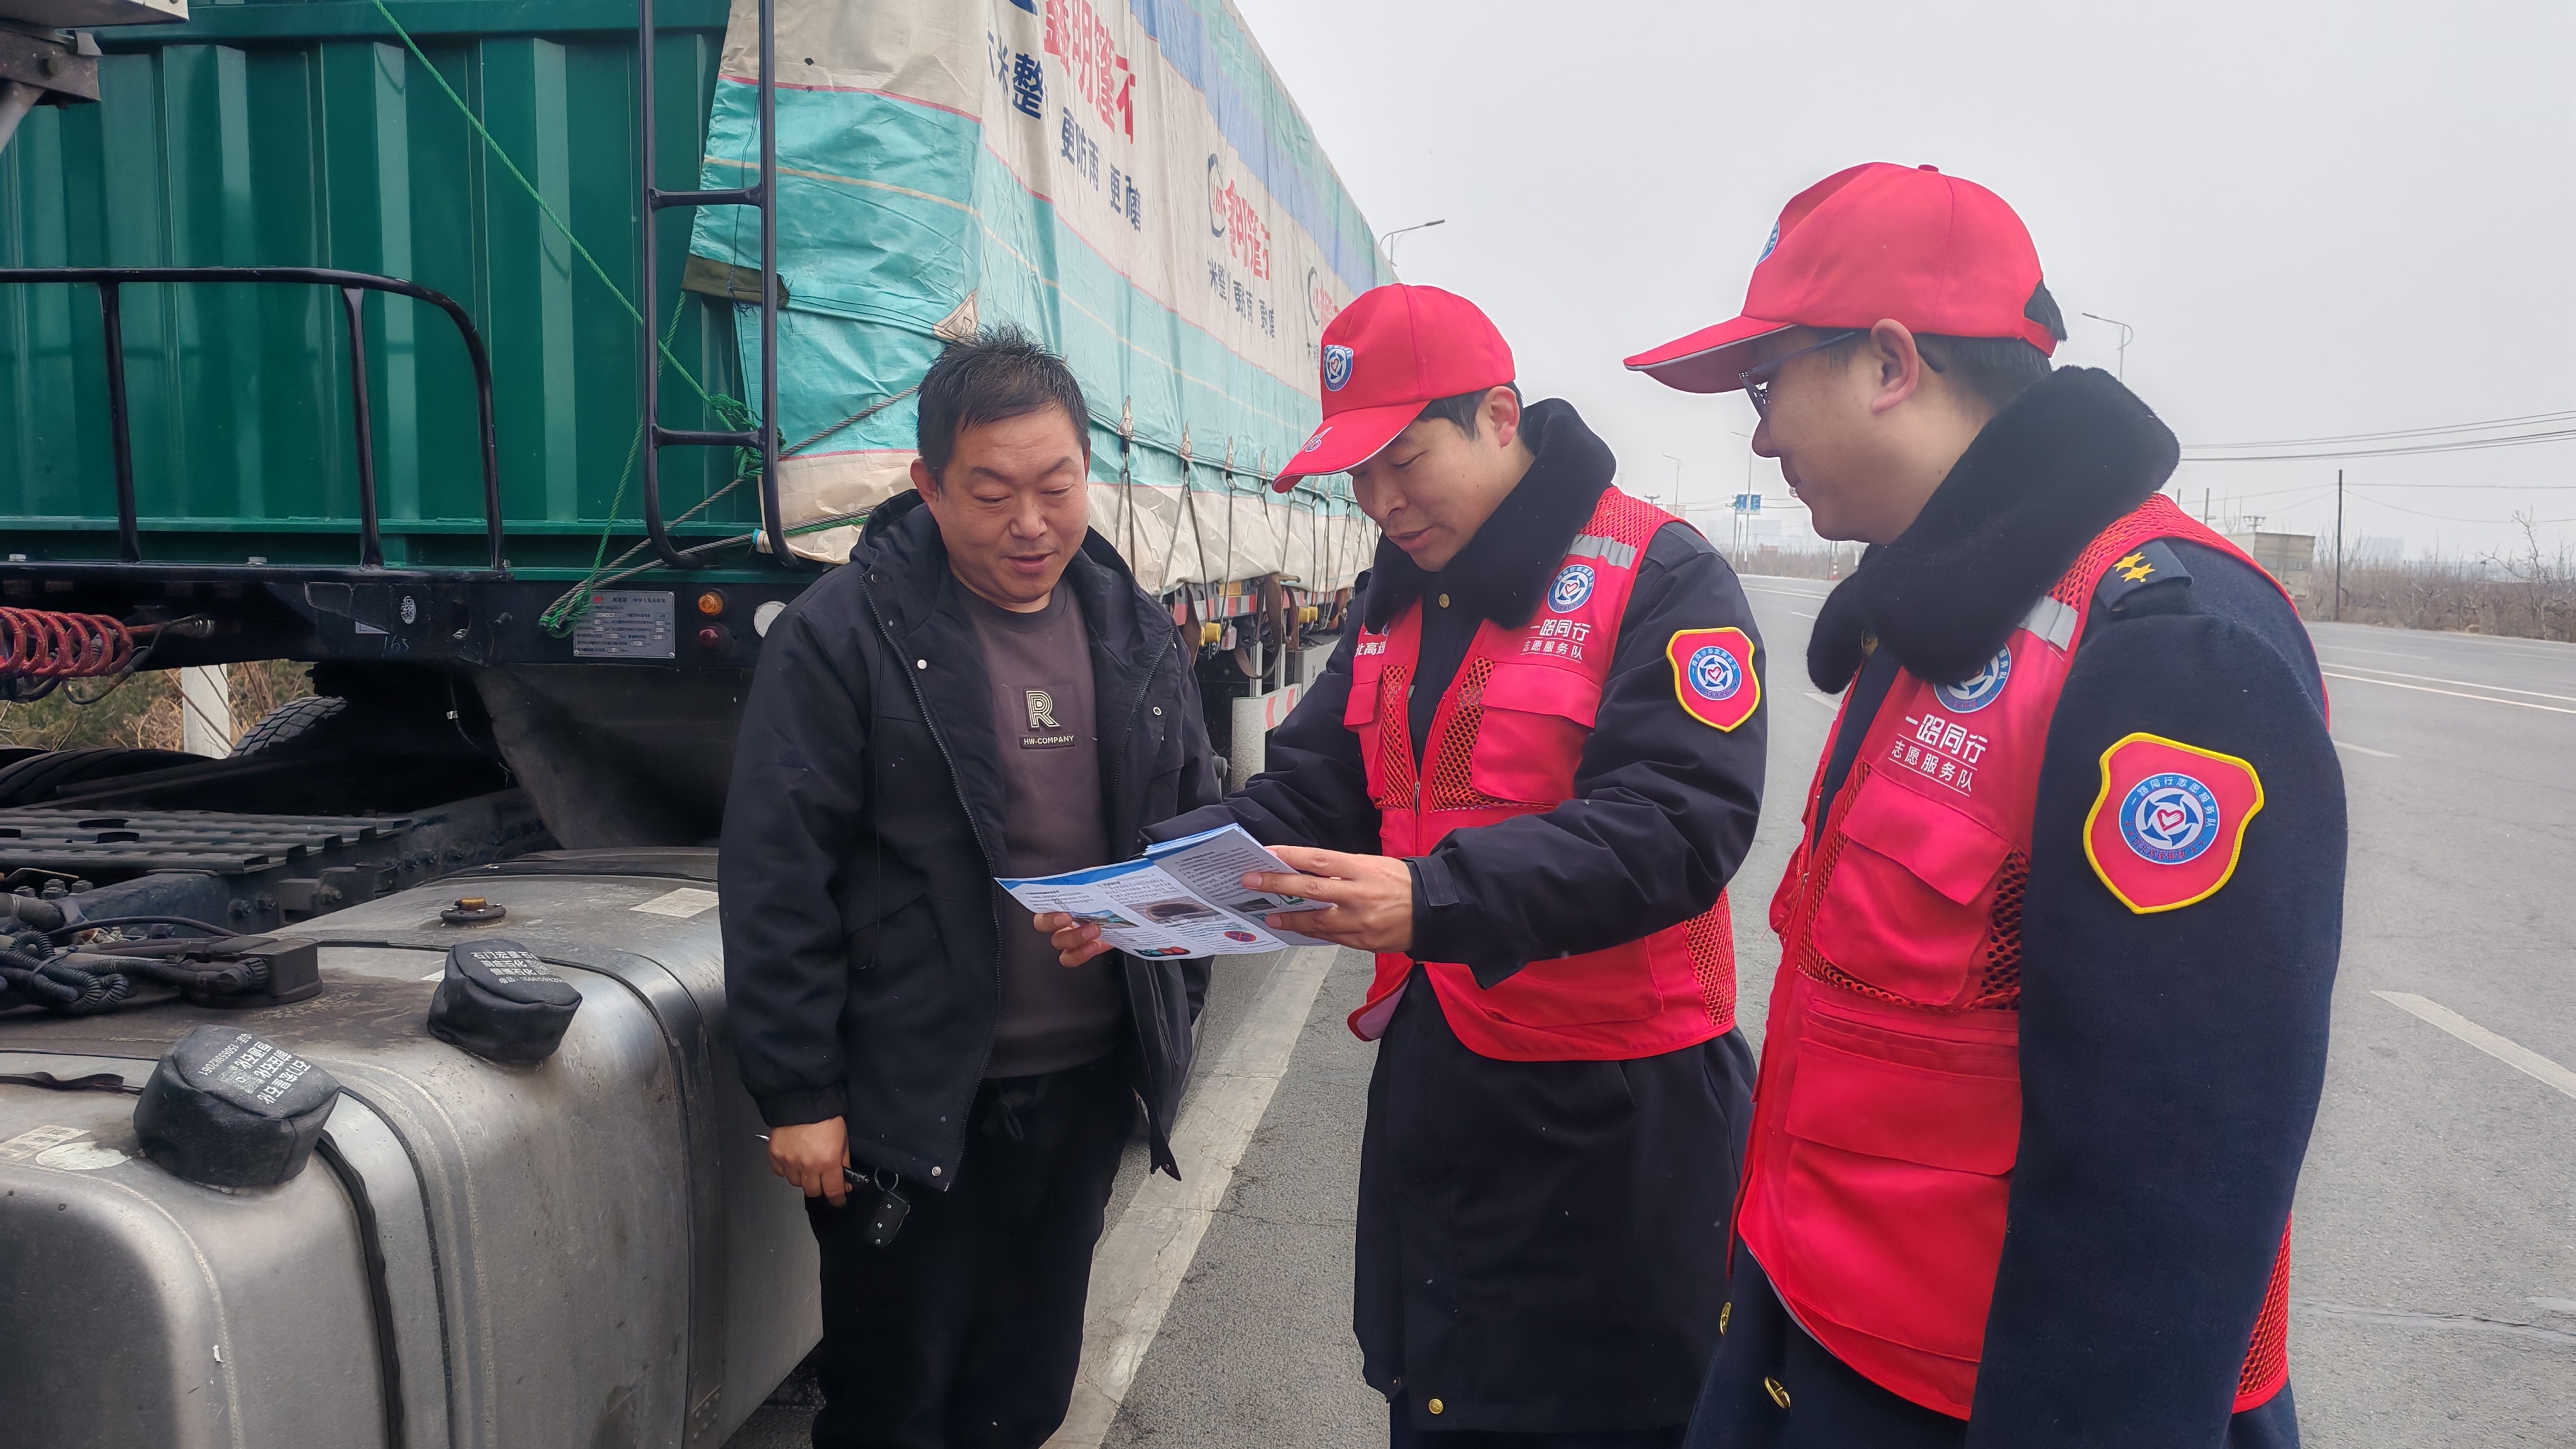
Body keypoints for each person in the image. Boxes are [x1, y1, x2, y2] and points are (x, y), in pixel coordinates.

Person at [1626, 163, 2343, 1447]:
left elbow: (2165, 1193)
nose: (1759, 437)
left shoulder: (2164, 646)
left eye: (1766, 385)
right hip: (1810, 1343)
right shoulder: (1942, 614)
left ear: (1888, 363)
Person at [1045, 284, 1770, 1446]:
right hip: (1447, 1071)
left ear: (1498, 417)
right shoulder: (1398, 602)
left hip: (1619, 1102)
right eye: (1358, 475)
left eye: (1404, 460)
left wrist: (1435, 895)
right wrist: (1148, 885)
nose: (1380, 501)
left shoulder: (1658, 573)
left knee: (1611, 1414)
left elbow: (1679, 825)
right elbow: (1313, 790)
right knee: (1439, 1392)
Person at [720, 326, 1224, 1449]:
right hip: (910, 1102)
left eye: (1057, 485)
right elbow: (777, 868)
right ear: (929, 487)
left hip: (1084, 1088)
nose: (1030, 522)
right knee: (895, 1403)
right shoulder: (843, 634)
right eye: (992, 493)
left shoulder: (1136, 630)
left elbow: (1186, 828)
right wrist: (799, 1093)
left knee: (1024, 1393)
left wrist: (1170, 1005)